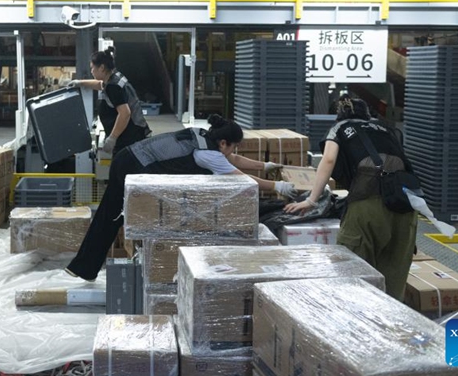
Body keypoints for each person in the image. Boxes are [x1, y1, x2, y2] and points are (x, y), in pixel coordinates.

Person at [65, 114, 295, 281]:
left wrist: (265, 165)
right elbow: (243, 179)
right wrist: (277, 186)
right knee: (112, 217)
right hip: (130, 166)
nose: (233, 151)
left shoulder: (203, 135)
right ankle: (83, 267)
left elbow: (232, 160)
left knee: (110, 215)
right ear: (224, 143)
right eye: (233, 147)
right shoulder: (208, 154)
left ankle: (83, 268)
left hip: (130, 158)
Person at [284, 96, 417, 299]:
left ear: (339, 115)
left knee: (353, 275)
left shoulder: (339, 129)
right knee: (393, 282)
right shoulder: (388, 129)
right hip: (406, 209)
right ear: (367, 113)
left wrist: (311, 200)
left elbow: (328, 159)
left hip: (368, 206)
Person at [69, 47, 151, 155]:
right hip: (136, 133)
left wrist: (112, 138)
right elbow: (100, 85)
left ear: (102, 68)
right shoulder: (114, 76)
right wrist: (80, 83)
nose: (91, 71)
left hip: (129, 139)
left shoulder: (113, 86)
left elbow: (125, 113)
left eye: (92, 68)